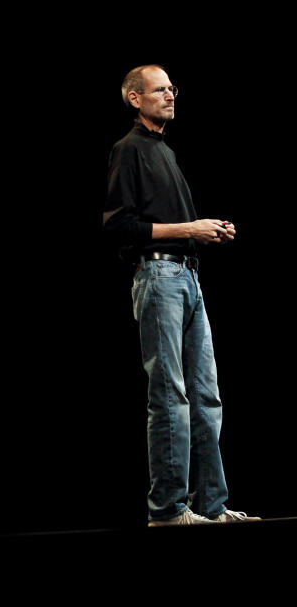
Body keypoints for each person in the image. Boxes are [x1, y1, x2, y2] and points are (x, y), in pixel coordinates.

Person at [102, 64, 259, 526]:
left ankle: (211, 507)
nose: (171, 95)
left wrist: (206, 232)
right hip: (158, 278)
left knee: (207, 395)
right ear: (135, 98)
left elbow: (174, 224)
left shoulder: (163, 151)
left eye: (173, 89)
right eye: (160, 90)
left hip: (188, 277)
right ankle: (168, 510)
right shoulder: (128, 150)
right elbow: (118, 226)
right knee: (170, 395)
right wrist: (189, 228)